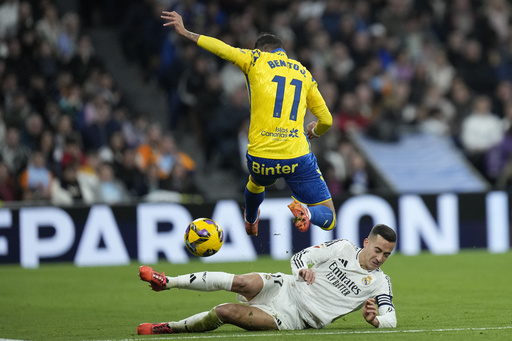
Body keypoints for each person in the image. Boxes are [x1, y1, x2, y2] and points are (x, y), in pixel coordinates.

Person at [161, 11, 336, 236]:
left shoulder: (255, 60)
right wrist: (316, 130)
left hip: (261, 158)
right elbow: (327, 120)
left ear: (261, 50)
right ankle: (307, 213)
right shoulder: (304, 73)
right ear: (282, 51)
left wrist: (186, 33)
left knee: (254, 184)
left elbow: (222, 49)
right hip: (296, 157)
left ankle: (251, 219)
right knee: (329, 218)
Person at [137, 224, 397, 334]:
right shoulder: (342, 247)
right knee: (241, 282)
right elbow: (300, 257)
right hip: (285, 286)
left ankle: (170, 327)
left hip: (294, 319)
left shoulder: (380, 282)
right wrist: (301, 271)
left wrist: (375, 321)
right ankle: (167, 281)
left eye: (386, 254)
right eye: (377, 250)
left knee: (225, 311)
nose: (380, 258)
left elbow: (391, 319)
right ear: (366, 242)